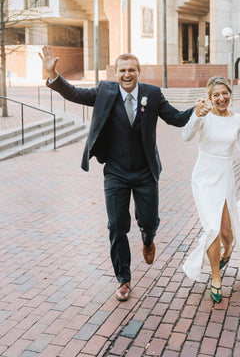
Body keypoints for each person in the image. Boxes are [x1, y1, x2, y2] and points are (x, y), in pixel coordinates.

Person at [39, 45, 193, 301]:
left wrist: (198, 110)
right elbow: (74, 93)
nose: (127, 74)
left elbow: (175, 118)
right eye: (122, 70)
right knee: (117, 226)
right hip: (116, 172)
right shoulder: (104, 91)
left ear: (139, 71)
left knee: (149, 220)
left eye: (132, 69)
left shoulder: (152, 94)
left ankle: (148, 238)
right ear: (116, 72)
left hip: (145, 171)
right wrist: (53, 75)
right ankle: (123, 279)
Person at [182, 76, 240, 303]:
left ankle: (228, 249)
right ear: (209, 98)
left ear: (230, 94)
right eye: (216, 95)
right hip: (204, 178)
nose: (221, 98)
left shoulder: (237, 119)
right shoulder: (203, 116)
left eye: (224, 93)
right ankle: (216, 277)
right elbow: (186, 136)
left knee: (226, 232)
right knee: (212, 227)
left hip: (225, 177)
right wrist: (195, 115)